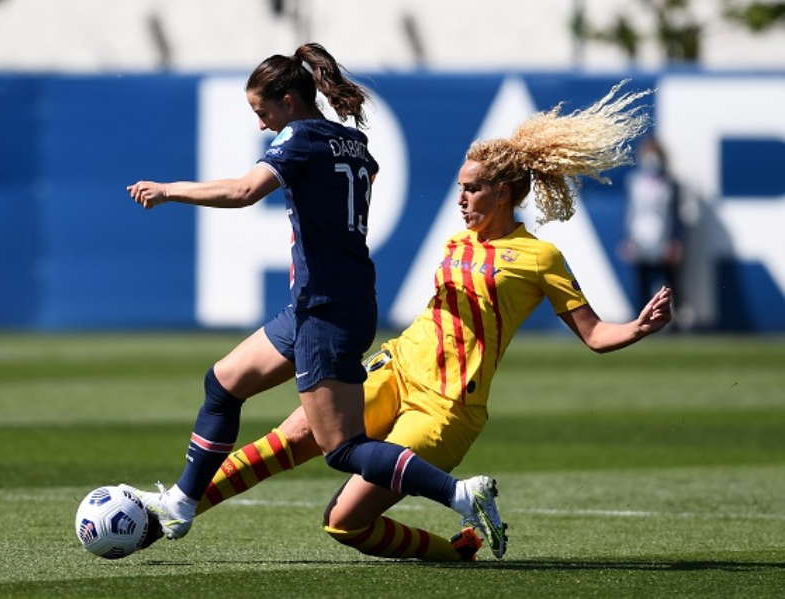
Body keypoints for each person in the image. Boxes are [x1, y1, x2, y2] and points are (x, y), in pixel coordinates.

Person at [132, 80, 674, 562]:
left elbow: (595, 334)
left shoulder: (540, 258)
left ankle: (457, 545)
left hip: (449, 404)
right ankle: (171, 511)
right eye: (460, 187)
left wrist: (638, 328)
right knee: (291, 438)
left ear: (503, 192)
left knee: (343, 522)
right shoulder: (455, 242)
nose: (460, 198)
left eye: (472, 188)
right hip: (395, 367)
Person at [124, 43, 509, 559]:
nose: (262, 125)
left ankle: (459, 493)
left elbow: (243, 192)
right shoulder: (350, 140)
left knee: (343, 447)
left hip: (325, 311)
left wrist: (169, 190)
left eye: (263, 113)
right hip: (326, 304)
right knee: (223, 382)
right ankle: (182, 503)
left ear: (287, 101)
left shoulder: (301, 138)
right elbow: (366, 175)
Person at [619, 137, 683, 311]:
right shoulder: (635, 182)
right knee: (642, 283)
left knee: (668, 284)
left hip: (663, 237)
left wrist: (675, 241)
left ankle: (675, 321)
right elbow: (631, 212)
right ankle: (642, 319)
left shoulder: (671, 184)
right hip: (640, 238)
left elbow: (676, 214)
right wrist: (628, 239)